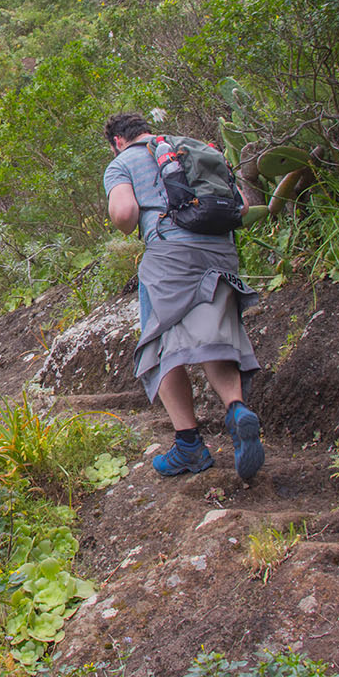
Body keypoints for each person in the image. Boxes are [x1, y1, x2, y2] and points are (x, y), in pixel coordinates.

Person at [101, 112, 264, 480]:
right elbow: (240, 206)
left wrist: (128, 217)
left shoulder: (122, 162)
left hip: (171, 256)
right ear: (146, 130)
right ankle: (236, 408)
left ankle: (189, 445)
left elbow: (125, 214)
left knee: (160, 346)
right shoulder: (188, 147)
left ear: (117, 141)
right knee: (214, 336)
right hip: (221, 251)